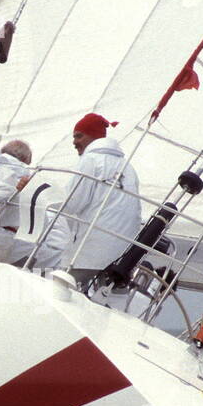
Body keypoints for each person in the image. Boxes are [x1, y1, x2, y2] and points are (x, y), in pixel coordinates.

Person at [38, 112, 141, 286]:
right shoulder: (128, 167)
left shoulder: (91, 160)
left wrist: (43, 200)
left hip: (92, 249)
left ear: (93, 136)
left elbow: (72, 204)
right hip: (122, 252)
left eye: (79, 136)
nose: (74, 142)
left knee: (58, 289)